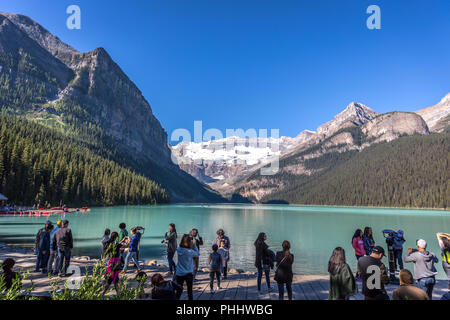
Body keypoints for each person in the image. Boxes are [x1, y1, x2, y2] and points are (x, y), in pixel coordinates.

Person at [175, 234, 199, 300]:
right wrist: (194, 245)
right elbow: (197, 254)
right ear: (189, 242)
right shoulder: (190, 252)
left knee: (179, 291)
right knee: (189, 291)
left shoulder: (178, 249)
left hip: (179, 273)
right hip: (188, 273)